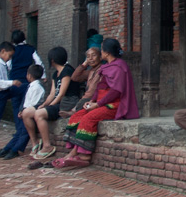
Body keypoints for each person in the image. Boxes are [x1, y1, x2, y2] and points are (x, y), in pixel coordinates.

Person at [53, 38, 139, 169]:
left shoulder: (120, 67)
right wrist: (92, 101)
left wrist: (97, 105)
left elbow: (115, 91)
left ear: (107, 52)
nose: (101, 52)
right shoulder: (106, 67)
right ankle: (74, 151)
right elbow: (99, 87)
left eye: (102, 49)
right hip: (99, 102)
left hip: (114, 105)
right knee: (77, 116)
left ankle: (83, 155)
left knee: (88, 118)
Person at [21, 46, 75, 163]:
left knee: (39, 114)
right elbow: (52, 93)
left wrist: (49, 106)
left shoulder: (67, 70)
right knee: (26, 113)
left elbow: (61, 94)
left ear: (52, 60)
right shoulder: (56, 74)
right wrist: (45, 104)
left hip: (66, 103)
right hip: (56, 102)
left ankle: (47, 146)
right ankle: (35, 142)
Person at [0, 30, 43, 158]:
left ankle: (12, 146)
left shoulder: (12, 52)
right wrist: (42, 76)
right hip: (26, 84)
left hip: (14, 85)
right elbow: (38, 62)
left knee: (19, 115)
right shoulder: (30, 49)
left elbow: (9, 67)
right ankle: (15, 146)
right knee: (25, 114)